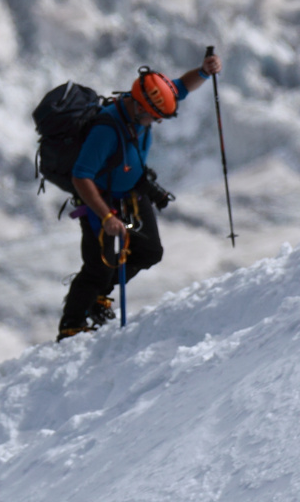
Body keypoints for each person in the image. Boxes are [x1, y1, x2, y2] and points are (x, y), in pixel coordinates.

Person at [58, 53, 221, 340]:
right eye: (153, 116)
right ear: (139, 106)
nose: (155, 121)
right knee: (98, 266)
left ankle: (99, 297)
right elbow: (81, 176)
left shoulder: (150, 100)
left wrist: (204, 72)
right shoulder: (106, 131)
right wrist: (106, 216)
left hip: (131, 192)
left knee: (149, 252)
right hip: (101, 202)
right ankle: (71, 325)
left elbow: (181, 86)